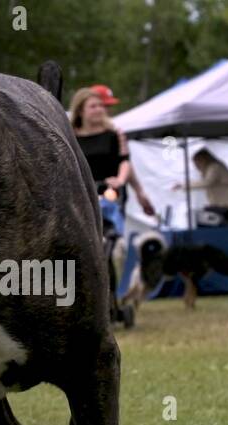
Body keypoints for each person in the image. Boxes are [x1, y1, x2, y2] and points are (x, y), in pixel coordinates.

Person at [71, 86, 131, 321]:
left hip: (108, 197)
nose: (98, 110)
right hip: (81, 196)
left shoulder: (113, 134)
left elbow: (124, 161)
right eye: (93, 106)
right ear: (81, 110)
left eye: (100, 106)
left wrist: (120, 180)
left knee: (105, 251)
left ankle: (111, 302)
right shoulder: (71, 136)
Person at [90, 84, 156, 219]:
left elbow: (125, 164)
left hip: (112, 199)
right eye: (102, 106)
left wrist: (139, 192)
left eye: (107, 107)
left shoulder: (116, 133)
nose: (105, 111)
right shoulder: (73, 135)